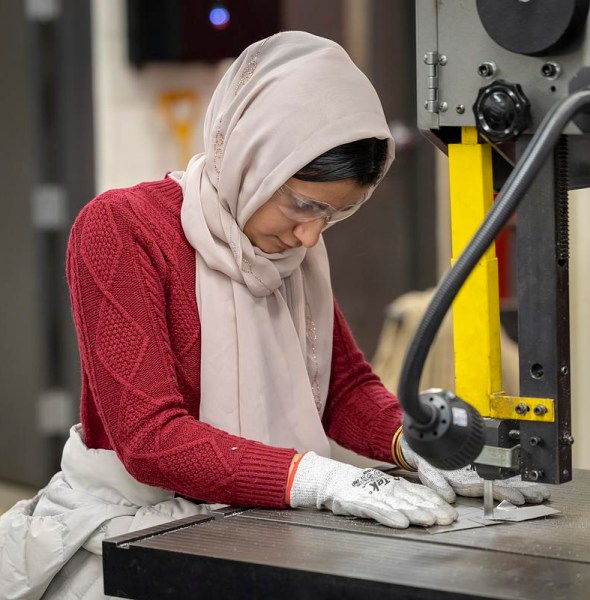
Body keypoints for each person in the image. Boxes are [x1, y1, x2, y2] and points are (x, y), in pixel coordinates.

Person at [0, 32, 549, 599]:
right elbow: (148, 438)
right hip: (131, 535)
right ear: (252, 158)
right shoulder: (122, 230)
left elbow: (345, 390)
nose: (310, 234)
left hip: (258, 522)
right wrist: (319, 477)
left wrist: (413, 445)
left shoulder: (292, 251)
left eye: (335, 215)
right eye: (302, 204)